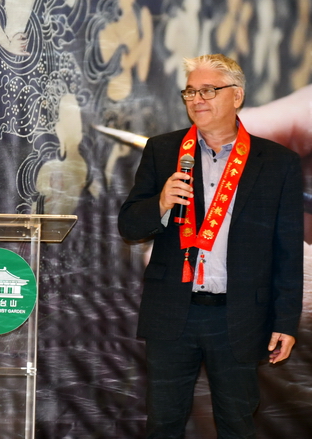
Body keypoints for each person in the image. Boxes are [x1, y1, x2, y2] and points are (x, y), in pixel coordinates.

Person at [118, 54, 303, 438]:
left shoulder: (278, 161)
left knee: (237, 423)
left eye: (208, 91)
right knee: (163, 424)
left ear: (237, 96)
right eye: (190, 92)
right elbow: (130, 225)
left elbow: (288, 250)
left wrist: (285, 321)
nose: (197, 99)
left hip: (240, 314)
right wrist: (161, 203)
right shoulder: (163, 150)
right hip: (173, 311)